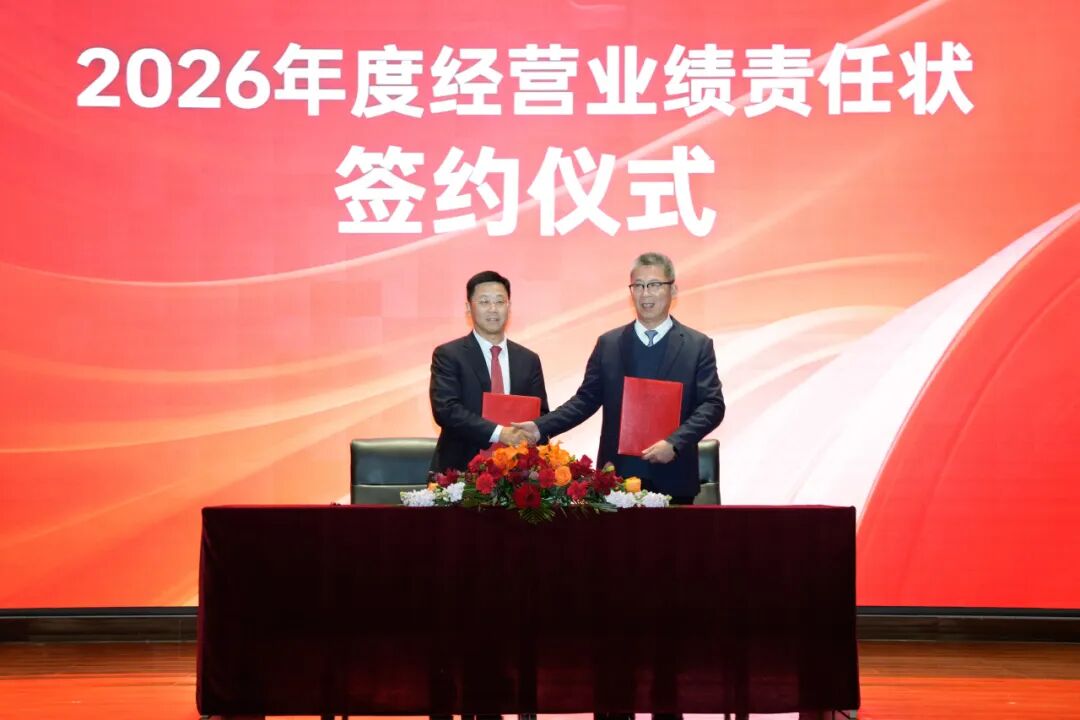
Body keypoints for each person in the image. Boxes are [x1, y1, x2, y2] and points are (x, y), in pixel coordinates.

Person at [516, 251, 725, 504]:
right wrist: (540, 426)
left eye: (654, 285)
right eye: (638, 286)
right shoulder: (609, 344)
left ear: (673, 289)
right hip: (616, 478)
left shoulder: (697, 345)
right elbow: (584, 401)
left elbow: (712, 405)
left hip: (674, 475)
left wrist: (675, 443)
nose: (645, 294)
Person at [430, 270, 549, 474]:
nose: (493, 309)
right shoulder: (449, 355)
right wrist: (500, 433)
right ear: (469, 308)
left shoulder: (528, 359)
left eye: (500, 302)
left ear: (509, 307)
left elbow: (541, 414)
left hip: (516, 476)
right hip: (461, 473)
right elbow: (446, 410)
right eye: (484, 302)